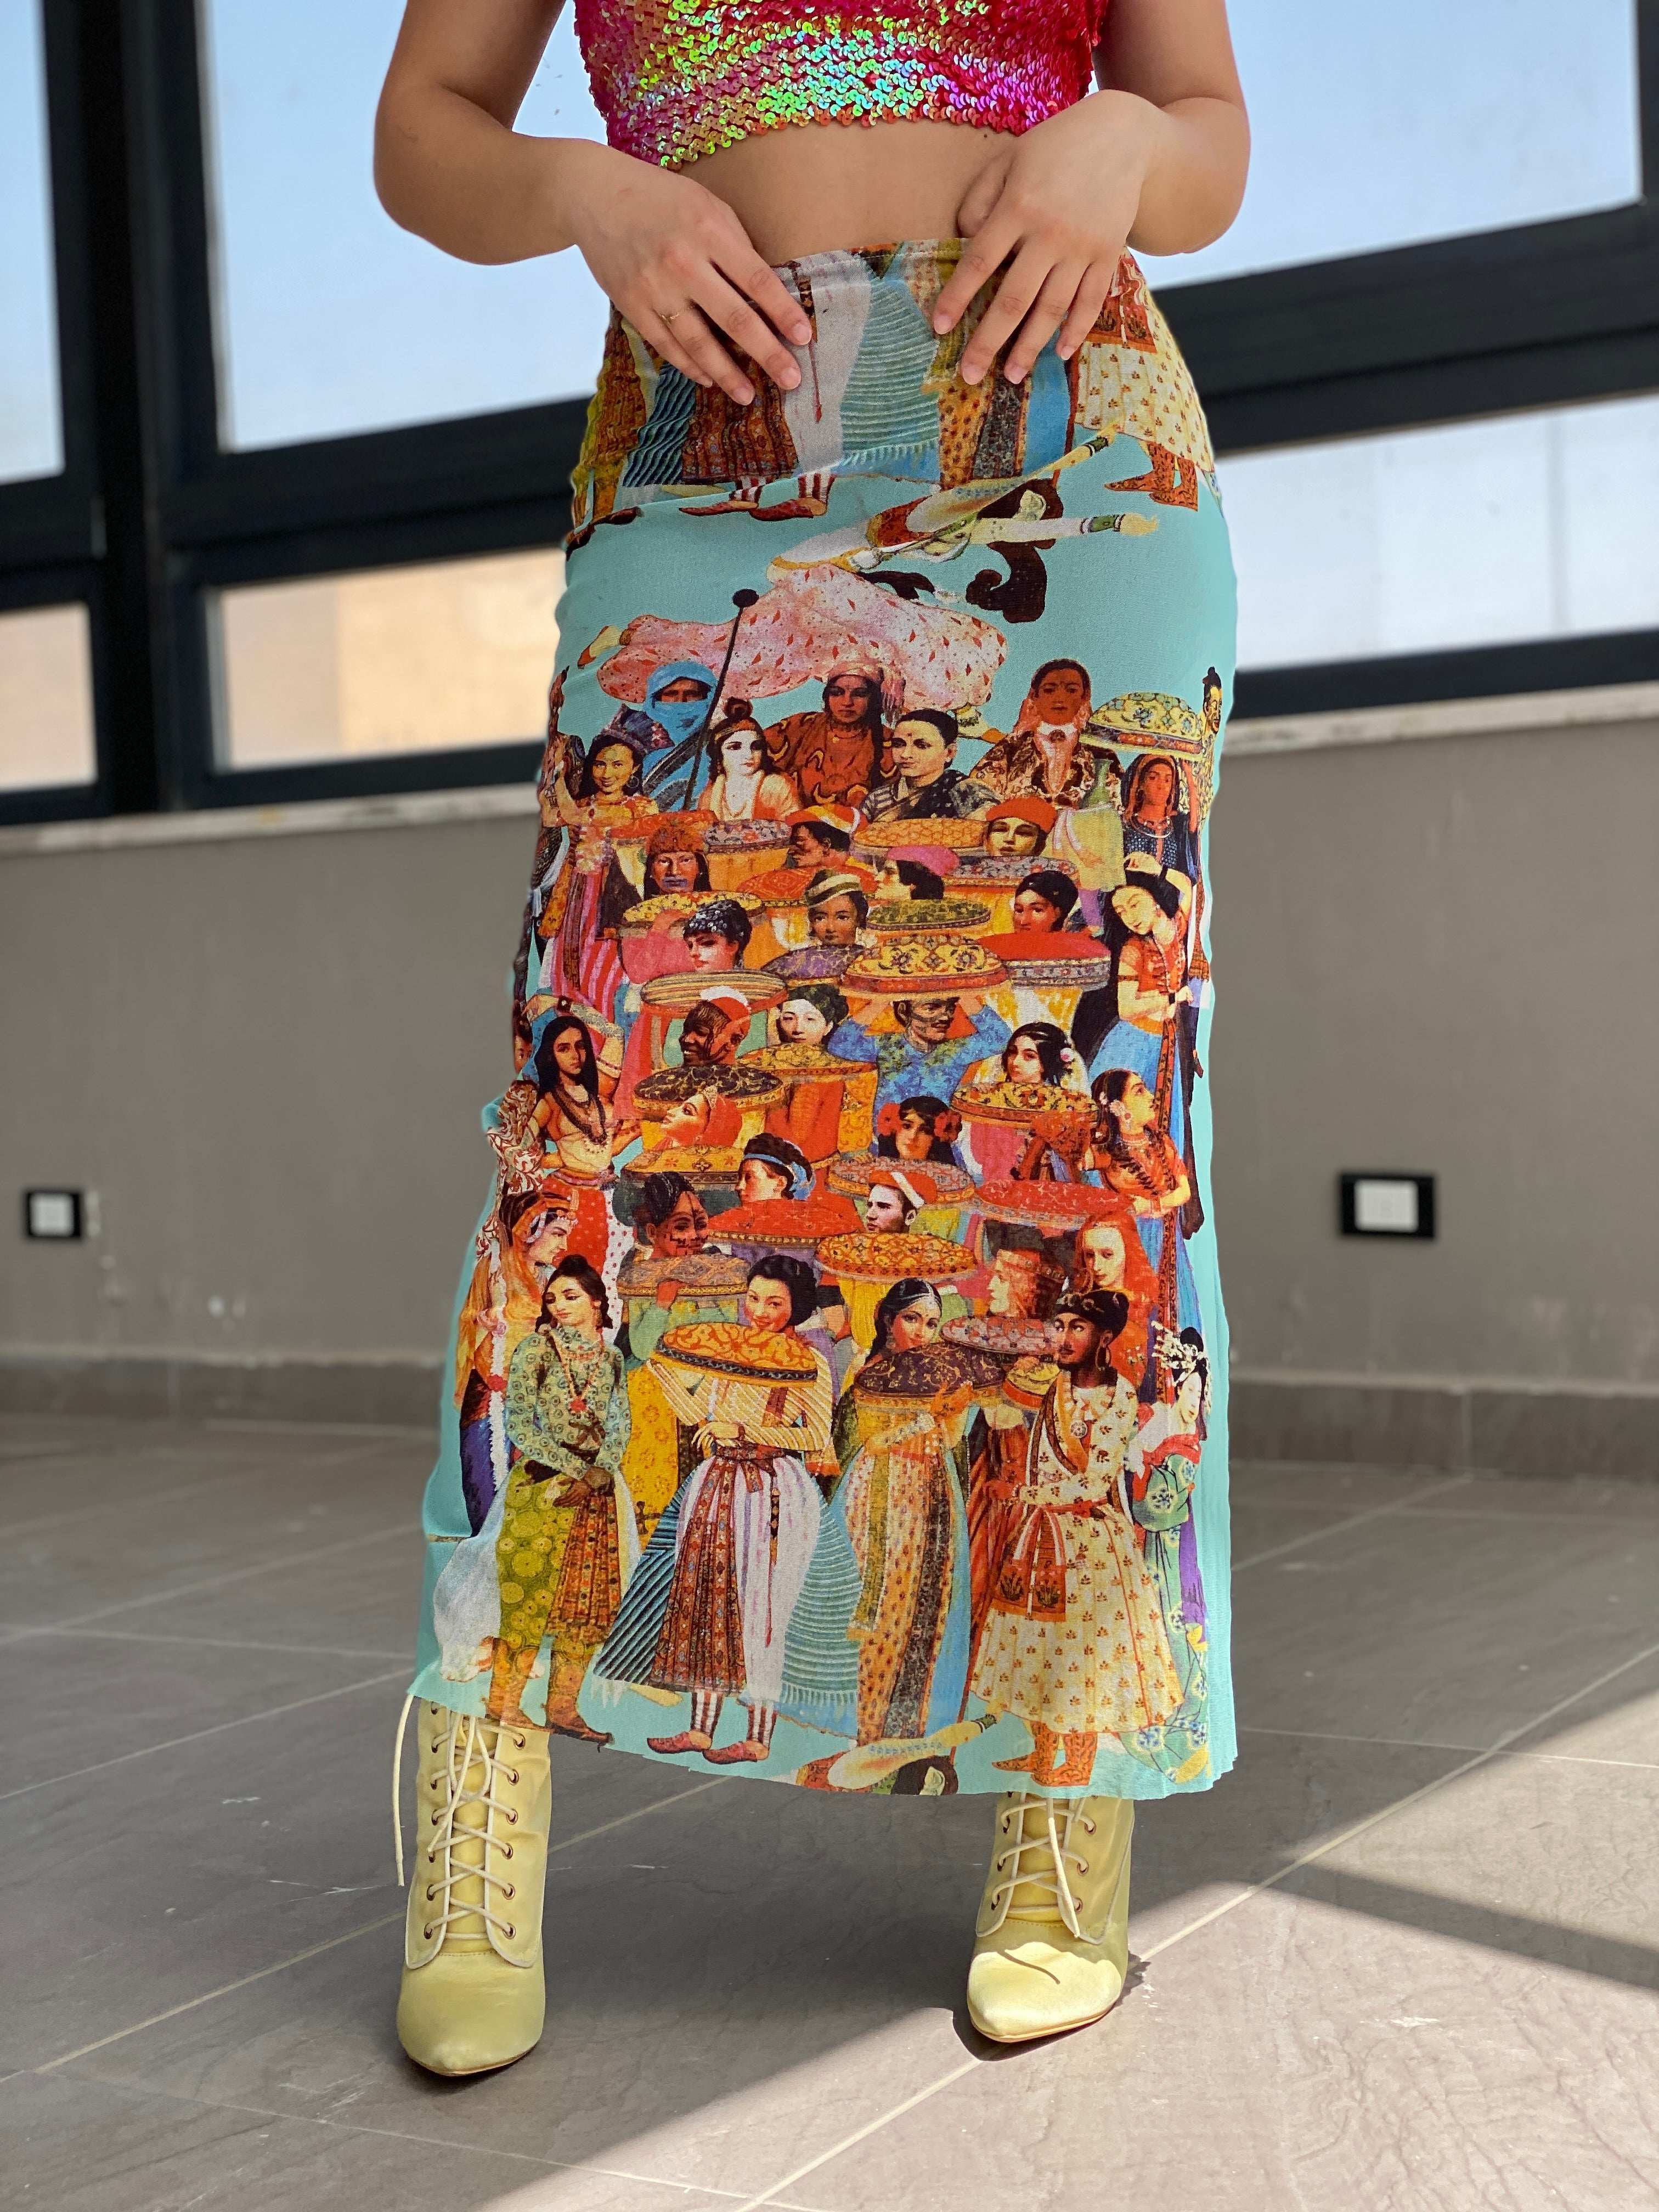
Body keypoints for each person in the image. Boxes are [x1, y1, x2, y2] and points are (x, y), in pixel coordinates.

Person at [381, 0, 1247, 2065]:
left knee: (1077, 1145)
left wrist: (1117, 138)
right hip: (708, 447)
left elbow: (1210, 135)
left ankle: (1067, 1768)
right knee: (588, 1147)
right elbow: (425, 134)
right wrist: (586, 196)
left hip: (1062, 440)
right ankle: (482, 1738)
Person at [486, 1259, 631, 1737]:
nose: (559, 1306)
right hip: (542, 1486)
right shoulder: (535, 1351)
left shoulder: (610, 1359)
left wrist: (601, 1471)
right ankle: (503, 1706)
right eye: (552, 1298)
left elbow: (620, 1423)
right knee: (528, 1598)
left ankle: (564, 1710)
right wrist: (577, 1469)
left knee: (584, 1605)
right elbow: (521, 1426)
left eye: (570, 1296)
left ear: (596, 1301)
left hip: (595, 1494)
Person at [764, 666, 889, 808]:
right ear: (827, 697)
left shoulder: (888, 740)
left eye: (859, 694)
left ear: (872, 699)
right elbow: (751, 746)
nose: (847, 702)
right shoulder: (803, 725)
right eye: (837, 693)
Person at [861, 708, 996, 823]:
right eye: (898, 745)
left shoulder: (970, 792)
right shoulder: (877, 799)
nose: (906, 754)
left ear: (949, 752)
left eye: (922, 746)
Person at [702, 718, 800, 821]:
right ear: (719, 755)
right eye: (735, 747)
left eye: (756, 747)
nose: (749, 755)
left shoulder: (775, 786)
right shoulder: (711, 793)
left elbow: (796, 828)